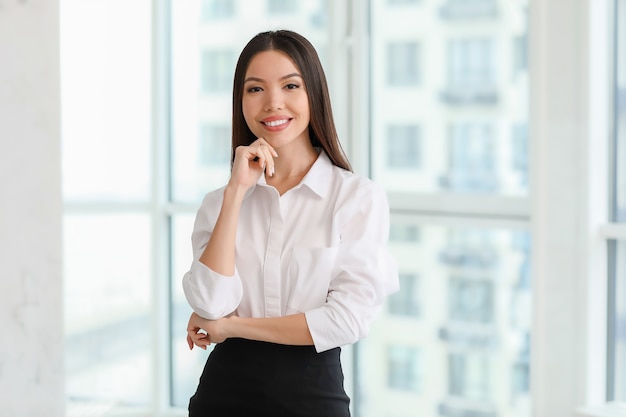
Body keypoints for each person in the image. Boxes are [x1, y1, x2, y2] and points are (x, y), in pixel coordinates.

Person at [182, 29, 398, 417]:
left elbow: (346, 321)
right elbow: (211, 303)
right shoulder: (220, 202)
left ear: (313, 93)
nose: (273, 103)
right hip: (222, 397)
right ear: (241, 101)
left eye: (290, 85)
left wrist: (233, 328)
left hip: (311, 399)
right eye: (255, 89)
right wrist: (236, 192)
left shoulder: (355, 198)